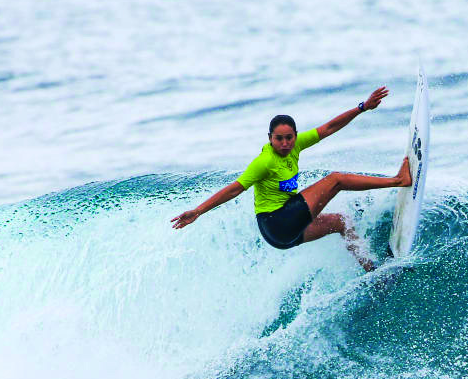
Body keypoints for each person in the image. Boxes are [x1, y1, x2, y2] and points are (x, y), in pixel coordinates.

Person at [170, 86, 411, 271]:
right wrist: (199, 211)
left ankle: (373, 271)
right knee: (336, 180)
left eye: (289, 138)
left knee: (340, 222)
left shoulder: (295, 146)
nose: (285, 144)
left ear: (295, 136)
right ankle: (397, 181)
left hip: (282, 236)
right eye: (279, 139)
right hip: (276, 223)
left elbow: (328, 128)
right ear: (270, 138)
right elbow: (235, 189)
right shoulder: (264, 162)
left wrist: (362, 107)